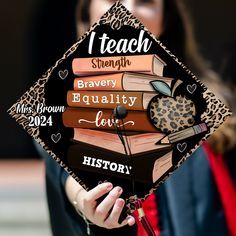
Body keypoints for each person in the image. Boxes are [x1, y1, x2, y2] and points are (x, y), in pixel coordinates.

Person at [34, 0, 236, 235]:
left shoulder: (213, 104)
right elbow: (64, 168)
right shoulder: (62, 105)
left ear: (165, 19)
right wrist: (85, 201)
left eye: (145, 1)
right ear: (87, 12)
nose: (128, 10)